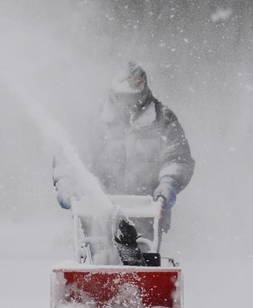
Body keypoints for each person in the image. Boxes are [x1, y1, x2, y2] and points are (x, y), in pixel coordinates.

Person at [53, 62, 194, 249]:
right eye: (123, 97)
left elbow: (176, 157)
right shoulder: (93, 120)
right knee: (100, 261)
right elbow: (70, 157)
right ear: (113, 93)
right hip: (97, 214)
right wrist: (67, 184)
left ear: (143, 93)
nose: (128, 103)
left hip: (147, 213)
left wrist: (168, 185)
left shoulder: (163, 119)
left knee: (144, 263)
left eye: (134, 97)